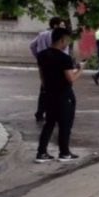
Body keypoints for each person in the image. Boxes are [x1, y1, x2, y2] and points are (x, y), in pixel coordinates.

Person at [35, 28, 82, 162]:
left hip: (49, 93)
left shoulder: (42, 55)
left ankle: (41, 152)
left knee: (49, 123)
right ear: (62, 40)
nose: (67, 43)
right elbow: (71, 78)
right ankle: (64, 152)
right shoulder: (64, 58)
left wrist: (46, 89)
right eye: (67, 40)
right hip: (64, 94)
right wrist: (80, 70)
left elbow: (42, 76)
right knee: (65, 124)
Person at [29, 17, 65, 122]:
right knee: (59, 89)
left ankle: (40, 112)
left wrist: (38, 57)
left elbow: (32, 46)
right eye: (62, 25)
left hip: (44, 64)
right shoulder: (59, 36)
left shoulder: (42, 34)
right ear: (55, 25)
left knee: (44, 88)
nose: (64, 27)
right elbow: (63, 51)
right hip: (57, 64)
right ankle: (56, 113)